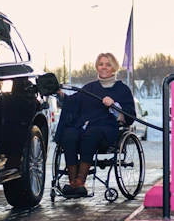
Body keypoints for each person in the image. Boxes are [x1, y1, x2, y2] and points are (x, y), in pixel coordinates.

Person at [54, 53, 136, 196]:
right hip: (84, 126)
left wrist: (115, 105)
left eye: (108, 64)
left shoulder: (122, 89)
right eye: (101, 64)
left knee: (90, 136)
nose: (104, 67)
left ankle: (81, 181)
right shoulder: (89, 88)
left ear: (114, 68)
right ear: (97, 67)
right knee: (69, 135)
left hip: (106, 128)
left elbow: (129, 115)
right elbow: (72, 102)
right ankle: (72, 182)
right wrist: (60, 94)